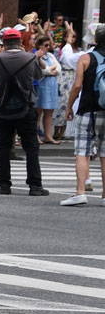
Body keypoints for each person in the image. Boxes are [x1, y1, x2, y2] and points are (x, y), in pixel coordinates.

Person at [0, 27, 46, 196]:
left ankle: (4, 184)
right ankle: (35, 186)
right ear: (20, 42)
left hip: (2, 107)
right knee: (31, 147)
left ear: (4, 42)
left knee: (3, 146)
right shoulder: (30, 57)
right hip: (25, 108)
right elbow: (38, 76)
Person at [60, 25, 105, 205]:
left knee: (82, 151)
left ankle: (80, 192)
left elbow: (77, 86)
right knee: (104, 153)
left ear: (95, 40)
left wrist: (69, 107)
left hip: (88, 110)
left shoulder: (86, 58)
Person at [33, 35, 62, 144]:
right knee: (38, 112)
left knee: (49, 112)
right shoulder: (36, 56)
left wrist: (50, 71)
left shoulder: (50, 55)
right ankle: (35, 135)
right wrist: (51, 71)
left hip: (51, 86)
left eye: (48, 45)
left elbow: (59, 68)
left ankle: (48, 135)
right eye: (45, 45)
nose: (47, 47)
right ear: (39, 45)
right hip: (42, 86)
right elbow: (42, 71)